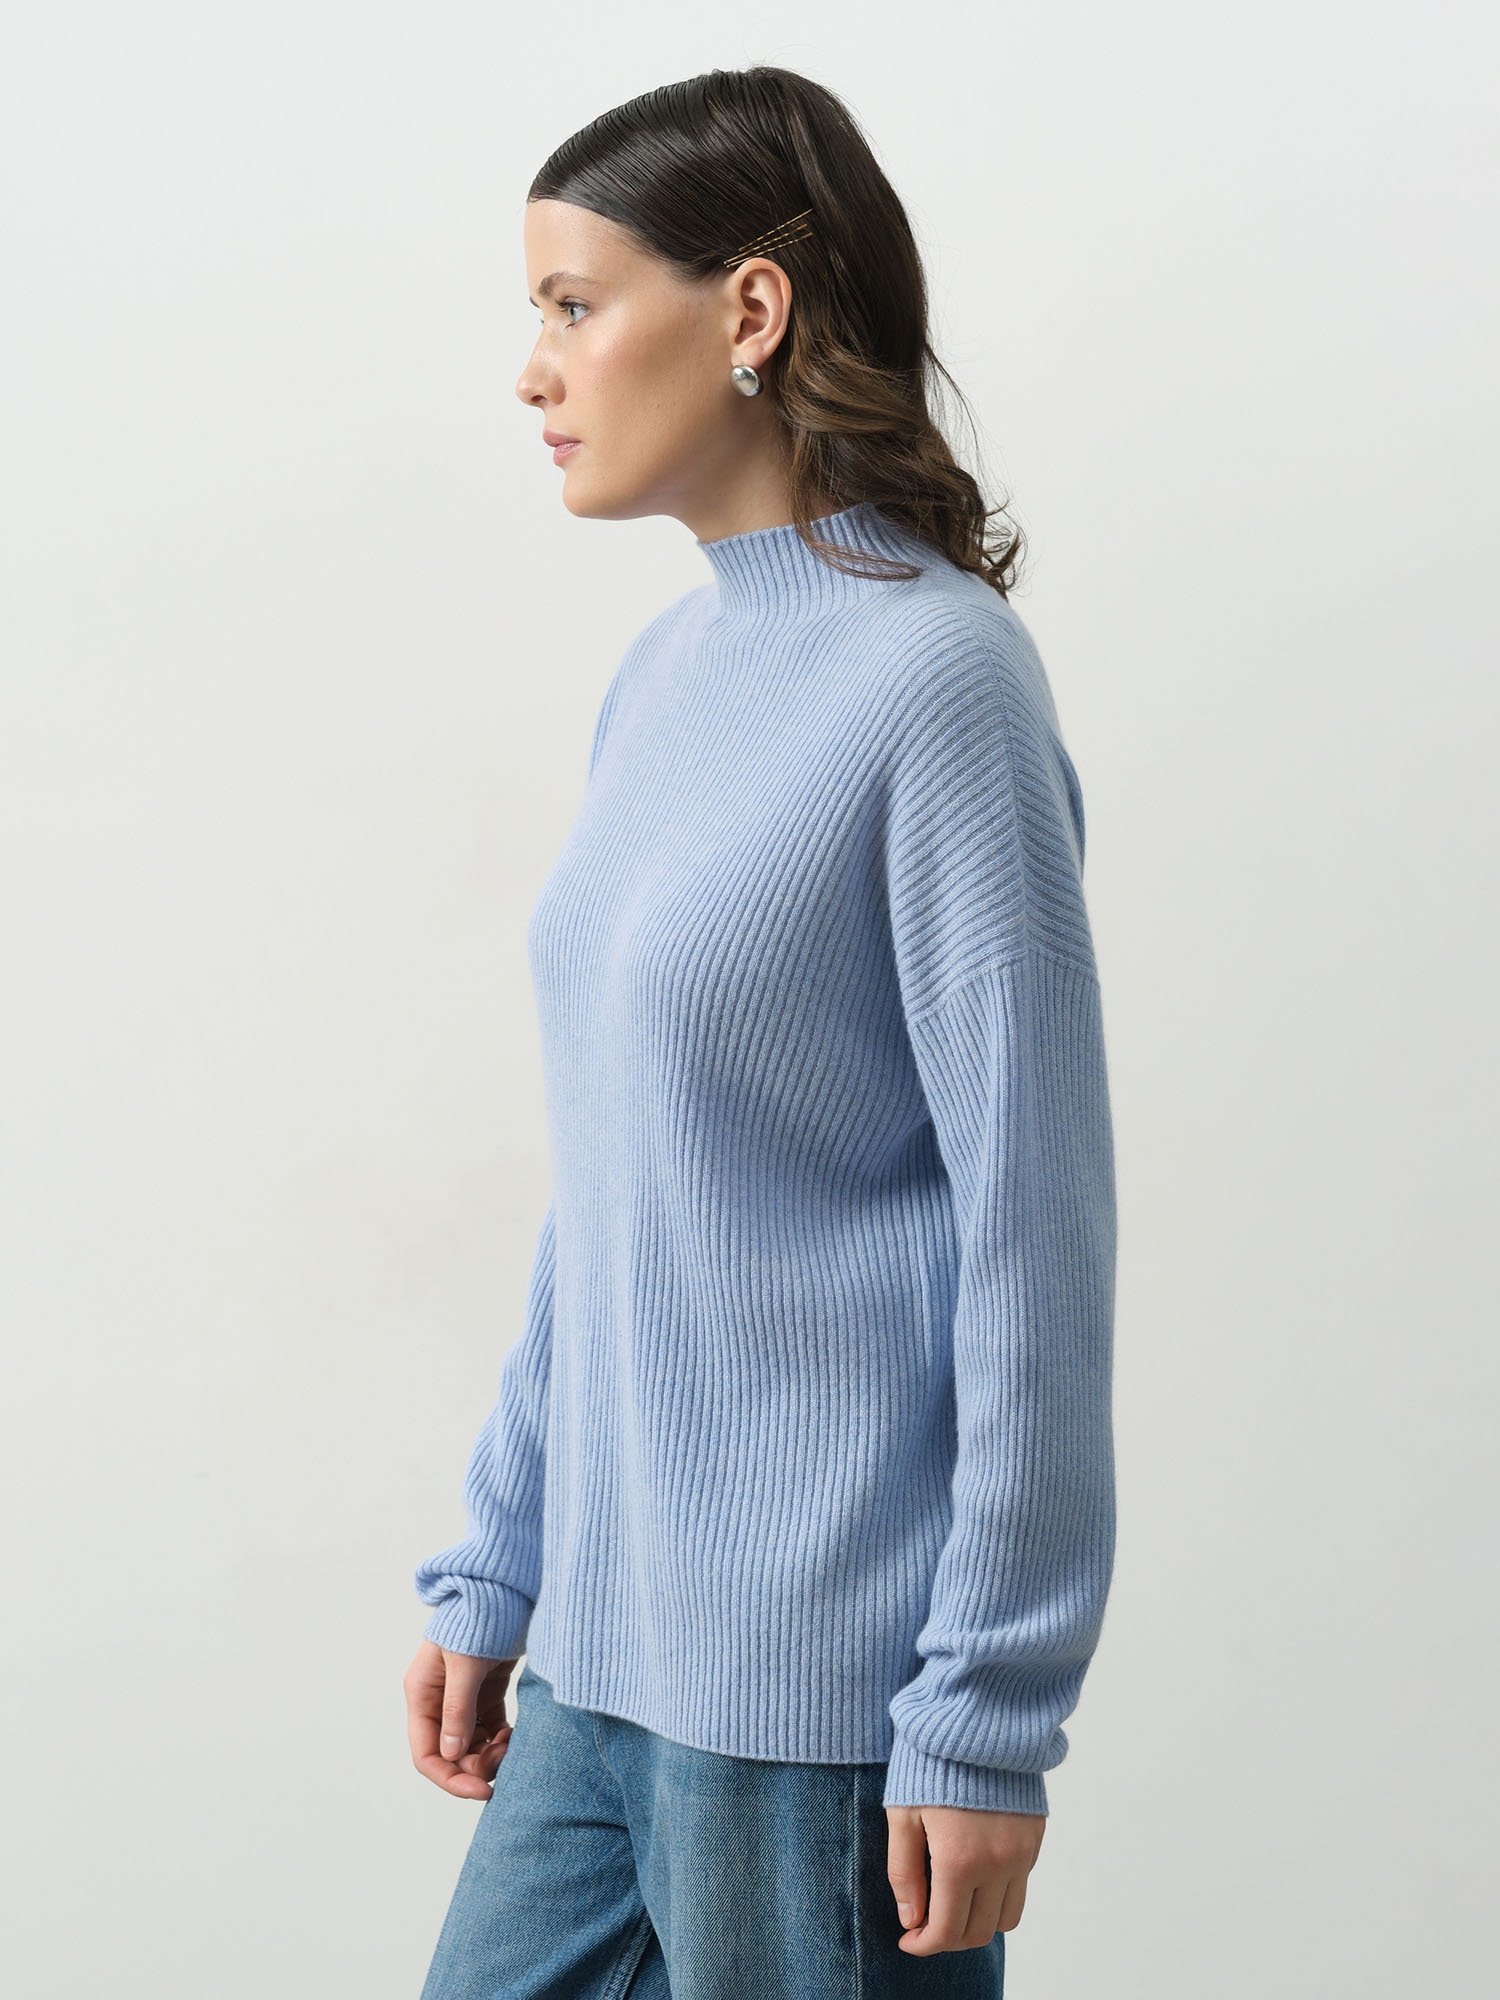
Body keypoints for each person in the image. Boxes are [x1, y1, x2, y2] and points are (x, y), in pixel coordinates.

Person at [403, 62, 1117, 2000]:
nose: (534, 370)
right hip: (600, 1662)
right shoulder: (665, 674)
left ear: (751, 310)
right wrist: (503, 1548)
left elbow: (1035, 1234)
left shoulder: (940, 683)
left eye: (574, 305)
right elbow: (617, 1179)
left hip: (818, 1707)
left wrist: (987, 1712)